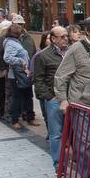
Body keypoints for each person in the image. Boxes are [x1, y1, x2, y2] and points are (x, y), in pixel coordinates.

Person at [54, 16, 90, 112]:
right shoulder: (75, 49)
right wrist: (63, 100)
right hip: (80, 105)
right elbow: (61, 76)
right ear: (87, 31)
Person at [34, 25, 70, 169]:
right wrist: (49, 97)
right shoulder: (43, 55)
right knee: (56, 134)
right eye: (62, 37)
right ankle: (59, 165)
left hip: (72, 98)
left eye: (66, 36)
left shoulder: (72, 52)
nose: (65, 39)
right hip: (54, 100)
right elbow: (38, 80)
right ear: (53, 39)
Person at [2, 24, 34, 130]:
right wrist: (21, 62)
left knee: (27, 96)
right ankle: (14, 119)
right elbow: (7, 57)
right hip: (16, 75)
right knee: (17, 98)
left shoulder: (15, 42)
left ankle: (30, 117)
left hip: (23, 73)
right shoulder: (11, 43)